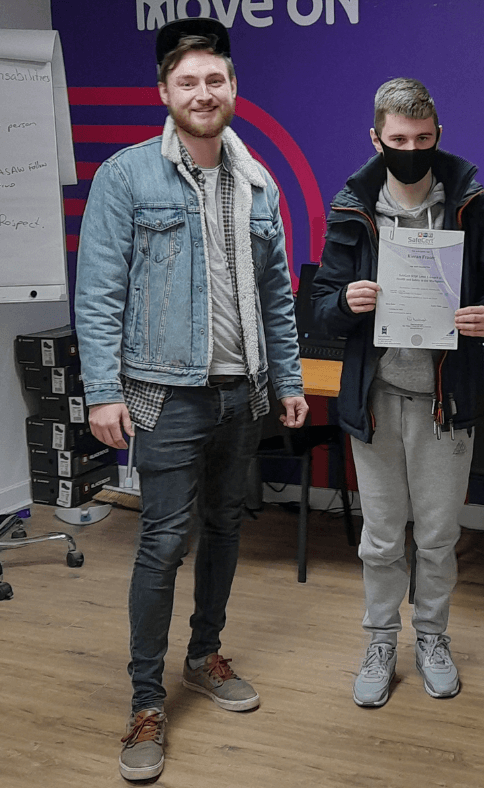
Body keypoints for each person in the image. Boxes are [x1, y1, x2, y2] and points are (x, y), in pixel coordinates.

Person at [74, 17, 308, 781]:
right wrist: (102, 393)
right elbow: (99, 293)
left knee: (226, 529)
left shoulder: (260, 181)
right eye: (188, 82)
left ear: (233, 88)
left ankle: (204, 654)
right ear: (165, 93)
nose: (203, 93)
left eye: (215, 80)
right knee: (162, 543)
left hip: (242, 392)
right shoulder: (127, 175)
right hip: (166, 394)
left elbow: (278, 295)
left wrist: (292, 380)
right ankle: (146, 700)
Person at [311, 78, 484, 708]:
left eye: (422, 139)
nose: (411, 149)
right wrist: (346, 300)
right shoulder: (351, 206)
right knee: (380, 535)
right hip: (377, 397)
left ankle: (432, 637)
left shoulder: (469, 201)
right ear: (377, 139)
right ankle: (378, 639)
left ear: (438, 136)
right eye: (398, 140)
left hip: (443, 401)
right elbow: (321, 309)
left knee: (438, 536)